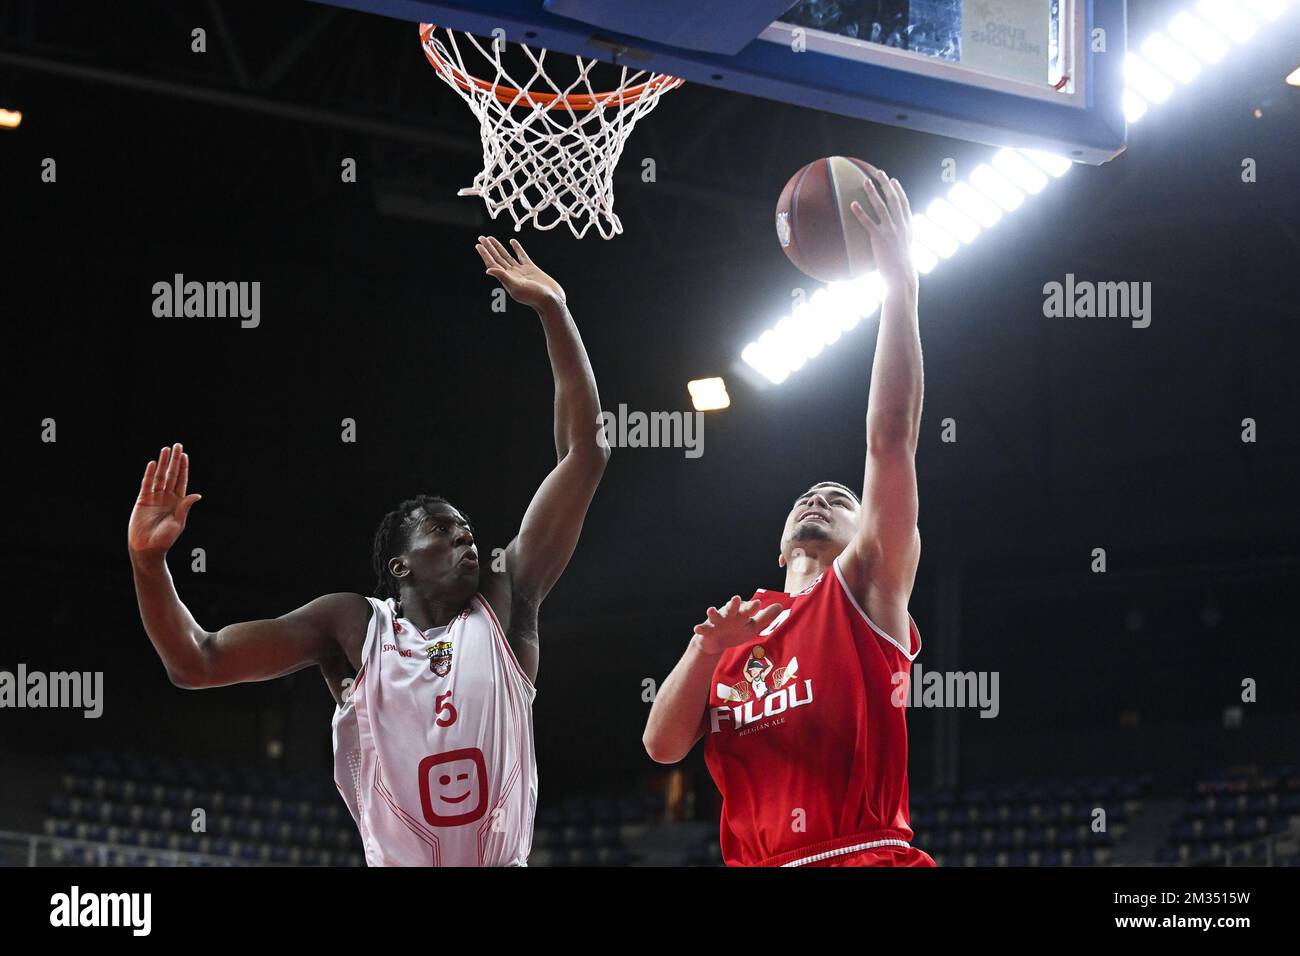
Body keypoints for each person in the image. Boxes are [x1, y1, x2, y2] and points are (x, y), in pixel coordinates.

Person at [128, 237, 608, 866]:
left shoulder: (505, 599)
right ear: (399, 565)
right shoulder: (353, 625)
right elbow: (196, 661)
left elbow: (585, 454)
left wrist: (555, 311)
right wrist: (148, 563)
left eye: (467, 527)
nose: (467, 536)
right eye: (443, 528)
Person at [643, 165, 934, 867]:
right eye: (807, 495)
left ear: (864, 531)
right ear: (780, 547)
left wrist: (902, 288)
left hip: (860, 855)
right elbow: (661, 744)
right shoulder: (739, 631)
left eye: (841, 498)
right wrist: (706, 650)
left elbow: (889, 436)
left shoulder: (866, 586)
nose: (819, 497)